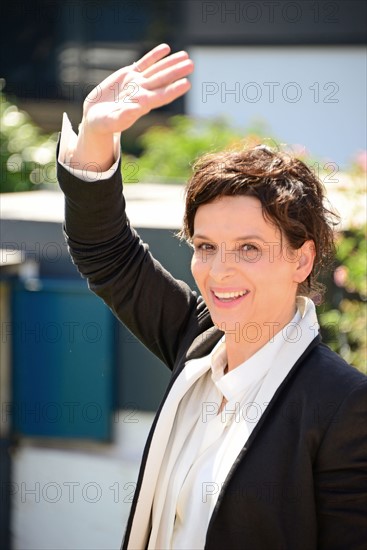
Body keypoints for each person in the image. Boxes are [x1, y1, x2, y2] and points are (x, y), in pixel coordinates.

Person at [57, 44, 367, 550]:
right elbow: (105, 252)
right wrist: (96, 135)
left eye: (249, 248)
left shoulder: (344, 405)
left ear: (302, 260)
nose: (220, 271)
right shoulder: (197, 339)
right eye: (206, 247)